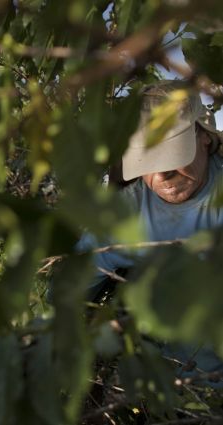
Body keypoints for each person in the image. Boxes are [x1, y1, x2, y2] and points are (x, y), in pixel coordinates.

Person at [80, 80, 223, 386]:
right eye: (148, 160)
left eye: (173, 156)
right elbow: (66, 294)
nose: (162, 174)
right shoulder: (122, 216)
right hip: (161, 388)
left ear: (205, 139)